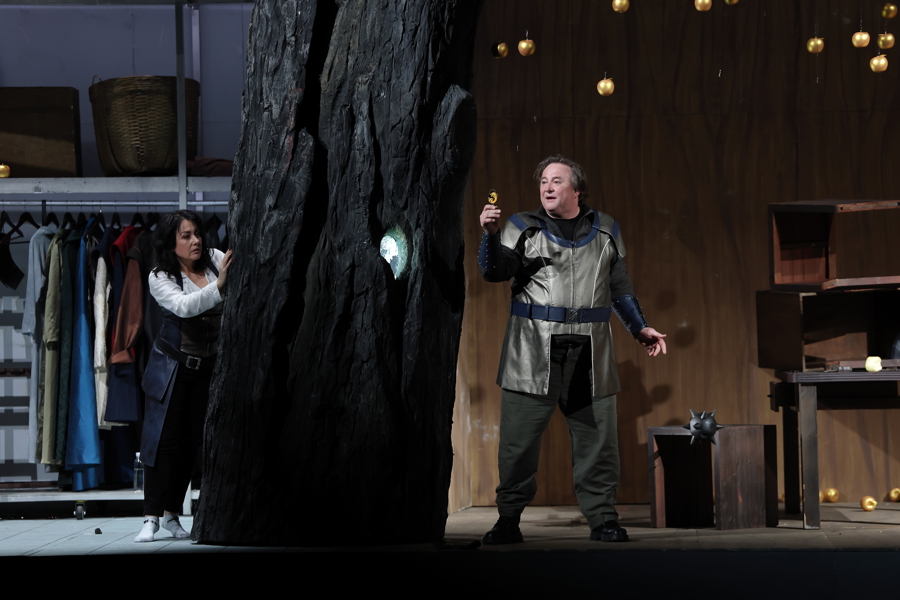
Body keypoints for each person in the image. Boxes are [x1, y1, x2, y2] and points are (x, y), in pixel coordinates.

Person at [477, 155, 666, 544]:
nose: (547, 187)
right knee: (518, 445)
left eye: (556, 180)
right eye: (543, 181)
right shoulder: (521, 226)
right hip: (532, 352)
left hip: (588, 353)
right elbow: (494, 272)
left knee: (597, 444)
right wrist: (491, 235)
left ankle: (603, 519)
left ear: (576, 189)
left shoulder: (605, 229)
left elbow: (619, 288)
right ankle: (508, 520)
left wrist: (640, 328)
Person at [134, 210, 233, 543]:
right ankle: (150, 516)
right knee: (161, 441)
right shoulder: (160, 276)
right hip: (172, 368)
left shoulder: (214, 260)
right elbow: (185, 306)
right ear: (170, 242)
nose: (195, 241)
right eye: (186, 236)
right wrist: (219, 286)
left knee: (191, 443)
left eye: (197, 234)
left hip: (206, 368)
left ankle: (172, 515)